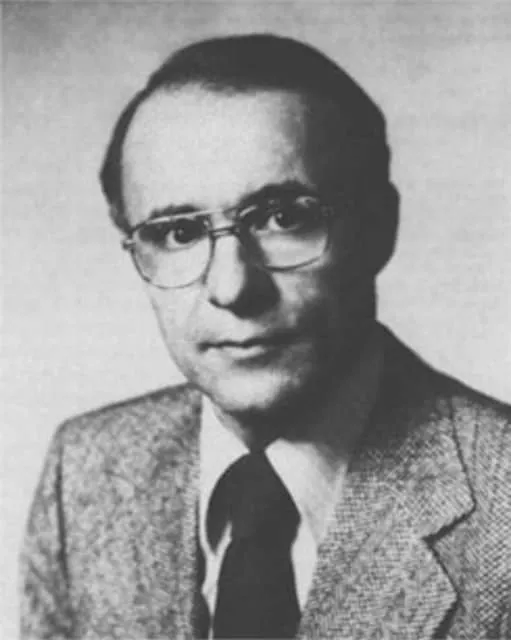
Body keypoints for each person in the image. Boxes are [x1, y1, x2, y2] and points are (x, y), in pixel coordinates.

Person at [20, 33, 510, 639]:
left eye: (283, 218)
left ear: (380, 228)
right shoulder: (85, 470)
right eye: (178, 233)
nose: (232, 287)